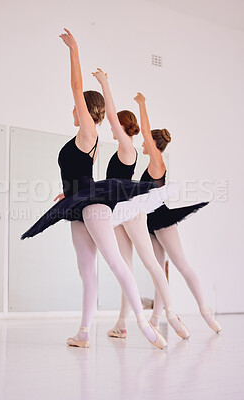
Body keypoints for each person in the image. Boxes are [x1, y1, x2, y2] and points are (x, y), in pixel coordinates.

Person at [21, 29, 174, 349]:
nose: (73, 110)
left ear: (86, 109)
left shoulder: (88, 131)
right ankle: (85, 332)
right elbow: (77, 176)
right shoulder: (82, 139)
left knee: (115, 262)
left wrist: (74, 49)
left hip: (92, 205)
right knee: (86, 270)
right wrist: (69, 192)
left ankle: (143, 323)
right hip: (79, 205)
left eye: (77, 106)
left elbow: (76, 87)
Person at [93, 68, 190, 340]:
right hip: (118, 212)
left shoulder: (128, 148)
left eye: (117, 126)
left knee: (151, 263)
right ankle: (122, 323)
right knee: (125, 267)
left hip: (129, 210)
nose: (113, 128)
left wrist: (104, 83)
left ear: (124, 128)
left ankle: (171, 315)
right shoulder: (123, 149)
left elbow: (111, 116)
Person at [134, 92, 221, 334]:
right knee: (159, 270)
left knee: (182, 265)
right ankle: (155, 319)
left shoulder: (157, 162)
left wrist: (142, 104)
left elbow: (145, 132)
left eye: (146, 142)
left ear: (152, 144)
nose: (142, 145)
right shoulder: (152, 164)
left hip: (162, 219)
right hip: (150, 222)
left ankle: (206, 311)